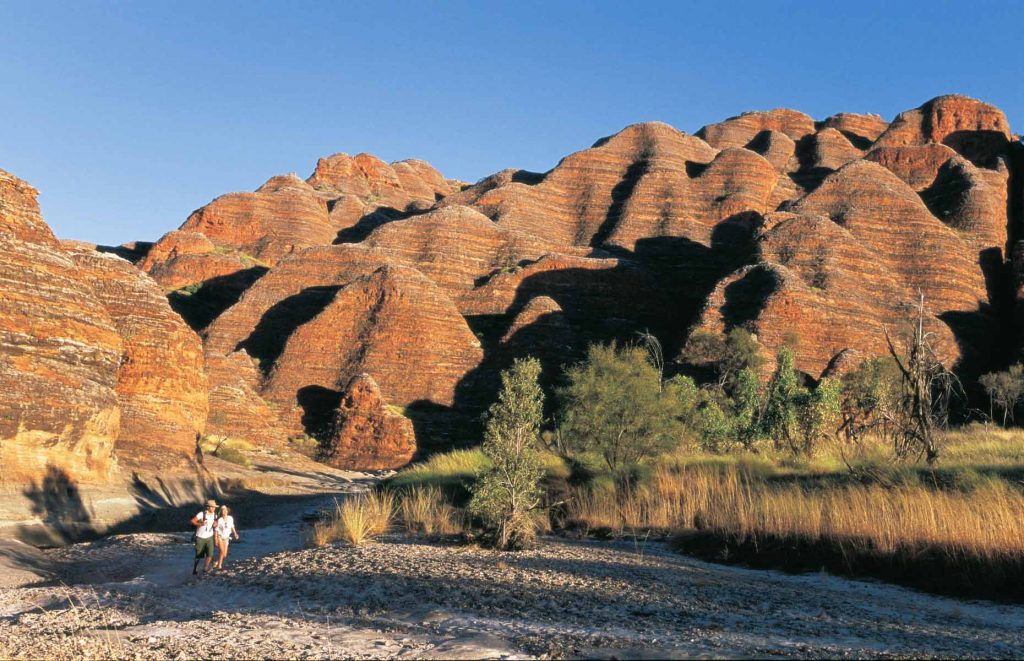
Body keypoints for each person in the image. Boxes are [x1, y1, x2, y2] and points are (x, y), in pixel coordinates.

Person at [190, 499, 218, 575]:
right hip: (200, 537)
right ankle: (195, 568)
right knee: (199, 555)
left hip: (209, 537)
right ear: (208, 507)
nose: (214, 508)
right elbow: (192, 521)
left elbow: (215, 525)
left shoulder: (215, 515)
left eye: (214, 507)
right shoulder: (201, 514)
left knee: (210, 554)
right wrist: (199, 524)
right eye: (213, 507)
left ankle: (205, 569)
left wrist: (215, 525)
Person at [214, 505, 239, 569]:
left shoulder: (230, 518)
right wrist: (216, 539)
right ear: (221, 512)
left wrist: (235, 533)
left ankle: (216, 562)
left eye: (225, 510)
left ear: (227, 511)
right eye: (222, 510)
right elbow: (216, 530)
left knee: (224, 554)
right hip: (220, 536)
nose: (224, 511)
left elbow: (232, 526)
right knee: (222, 551)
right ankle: (219, 566)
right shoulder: (220, 520)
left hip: (226, 537)